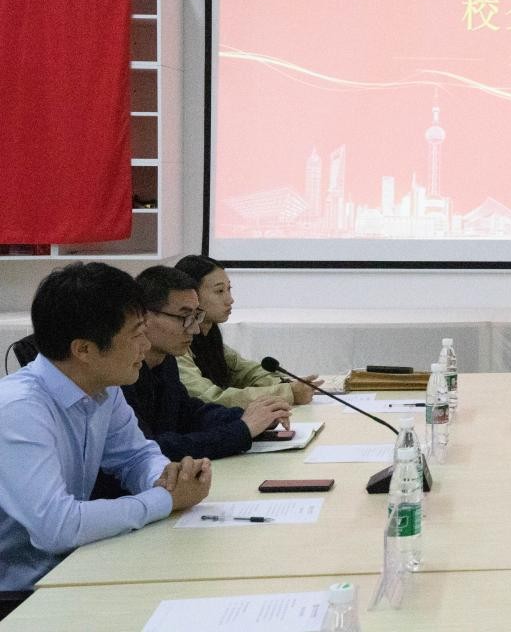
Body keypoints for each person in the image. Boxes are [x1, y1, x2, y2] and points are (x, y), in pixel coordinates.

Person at [0, 263, 211, 608]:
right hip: (18, 595)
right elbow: (57, 527)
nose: (145, 345)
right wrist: (166, 499)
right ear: (83, 349)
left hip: (74, 568)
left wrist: (168, 477)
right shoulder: (18, 409)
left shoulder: (104, 388)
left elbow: (136, 456)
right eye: (136, 334)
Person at [123, 266, 291, 462]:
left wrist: (253, 417)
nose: (195, 329)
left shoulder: (166, 361)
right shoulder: (120, 375)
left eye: (196, 316)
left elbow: (190, 414)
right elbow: (154, 448)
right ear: (144, 317)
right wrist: (243, 429)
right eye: (184, 317)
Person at [173, 255, 321, 407]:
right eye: (219, 291)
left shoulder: (210, 336)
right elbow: (208, 398)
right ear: (191, 296)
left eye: (229, 289)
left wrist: (285, 384)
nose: (230, 300)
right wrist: (287, 393)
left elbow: (246, 371)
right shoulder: (176, 345)